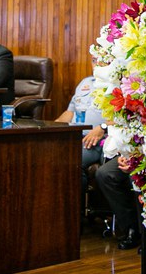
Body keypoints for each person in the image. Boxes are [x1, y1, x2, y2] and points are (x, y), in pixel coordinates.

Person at [54, 67, 106, 202]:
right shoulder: (85, 82)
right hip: (74, 136)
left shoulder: (116, 84)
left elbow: (123, 118)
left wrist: (103, 127)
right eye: (94, 60)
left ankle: (76, 208)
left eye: (101, 58)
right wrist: (54, 125)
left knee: (72, 160)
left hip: (95, 139)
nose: (97, 63)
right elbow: (70, 112)